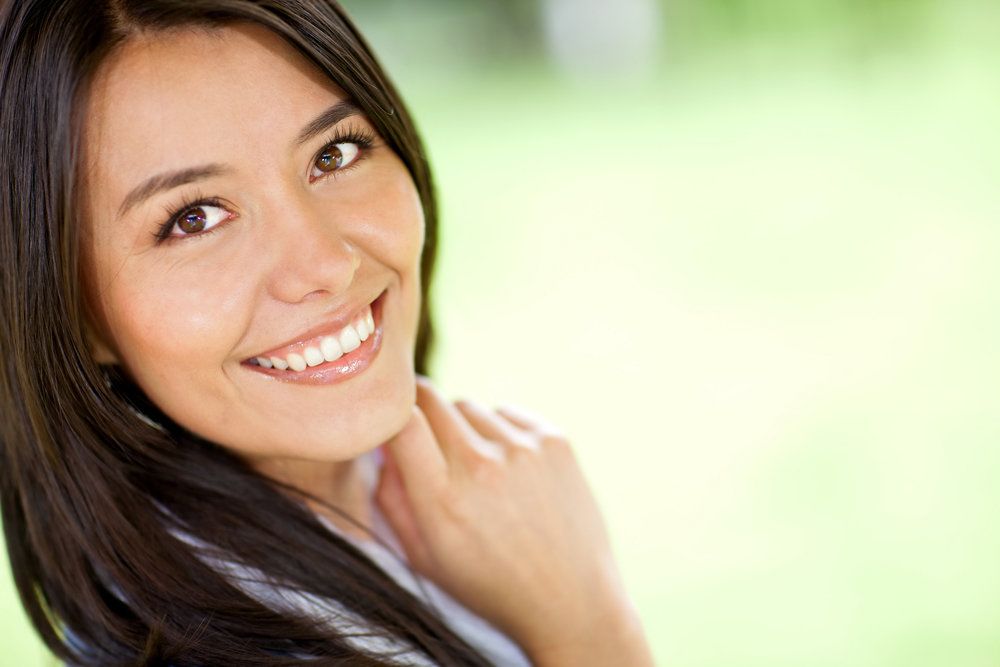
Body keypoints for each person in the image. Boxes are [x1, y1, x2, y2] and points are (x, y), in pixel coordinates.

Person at [0, 1, 655, 665]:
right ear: (66, 310)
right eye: (194, 218)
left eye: (334, 154)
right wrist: (587, 626)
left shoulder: (413, 503)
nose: (327, 263)